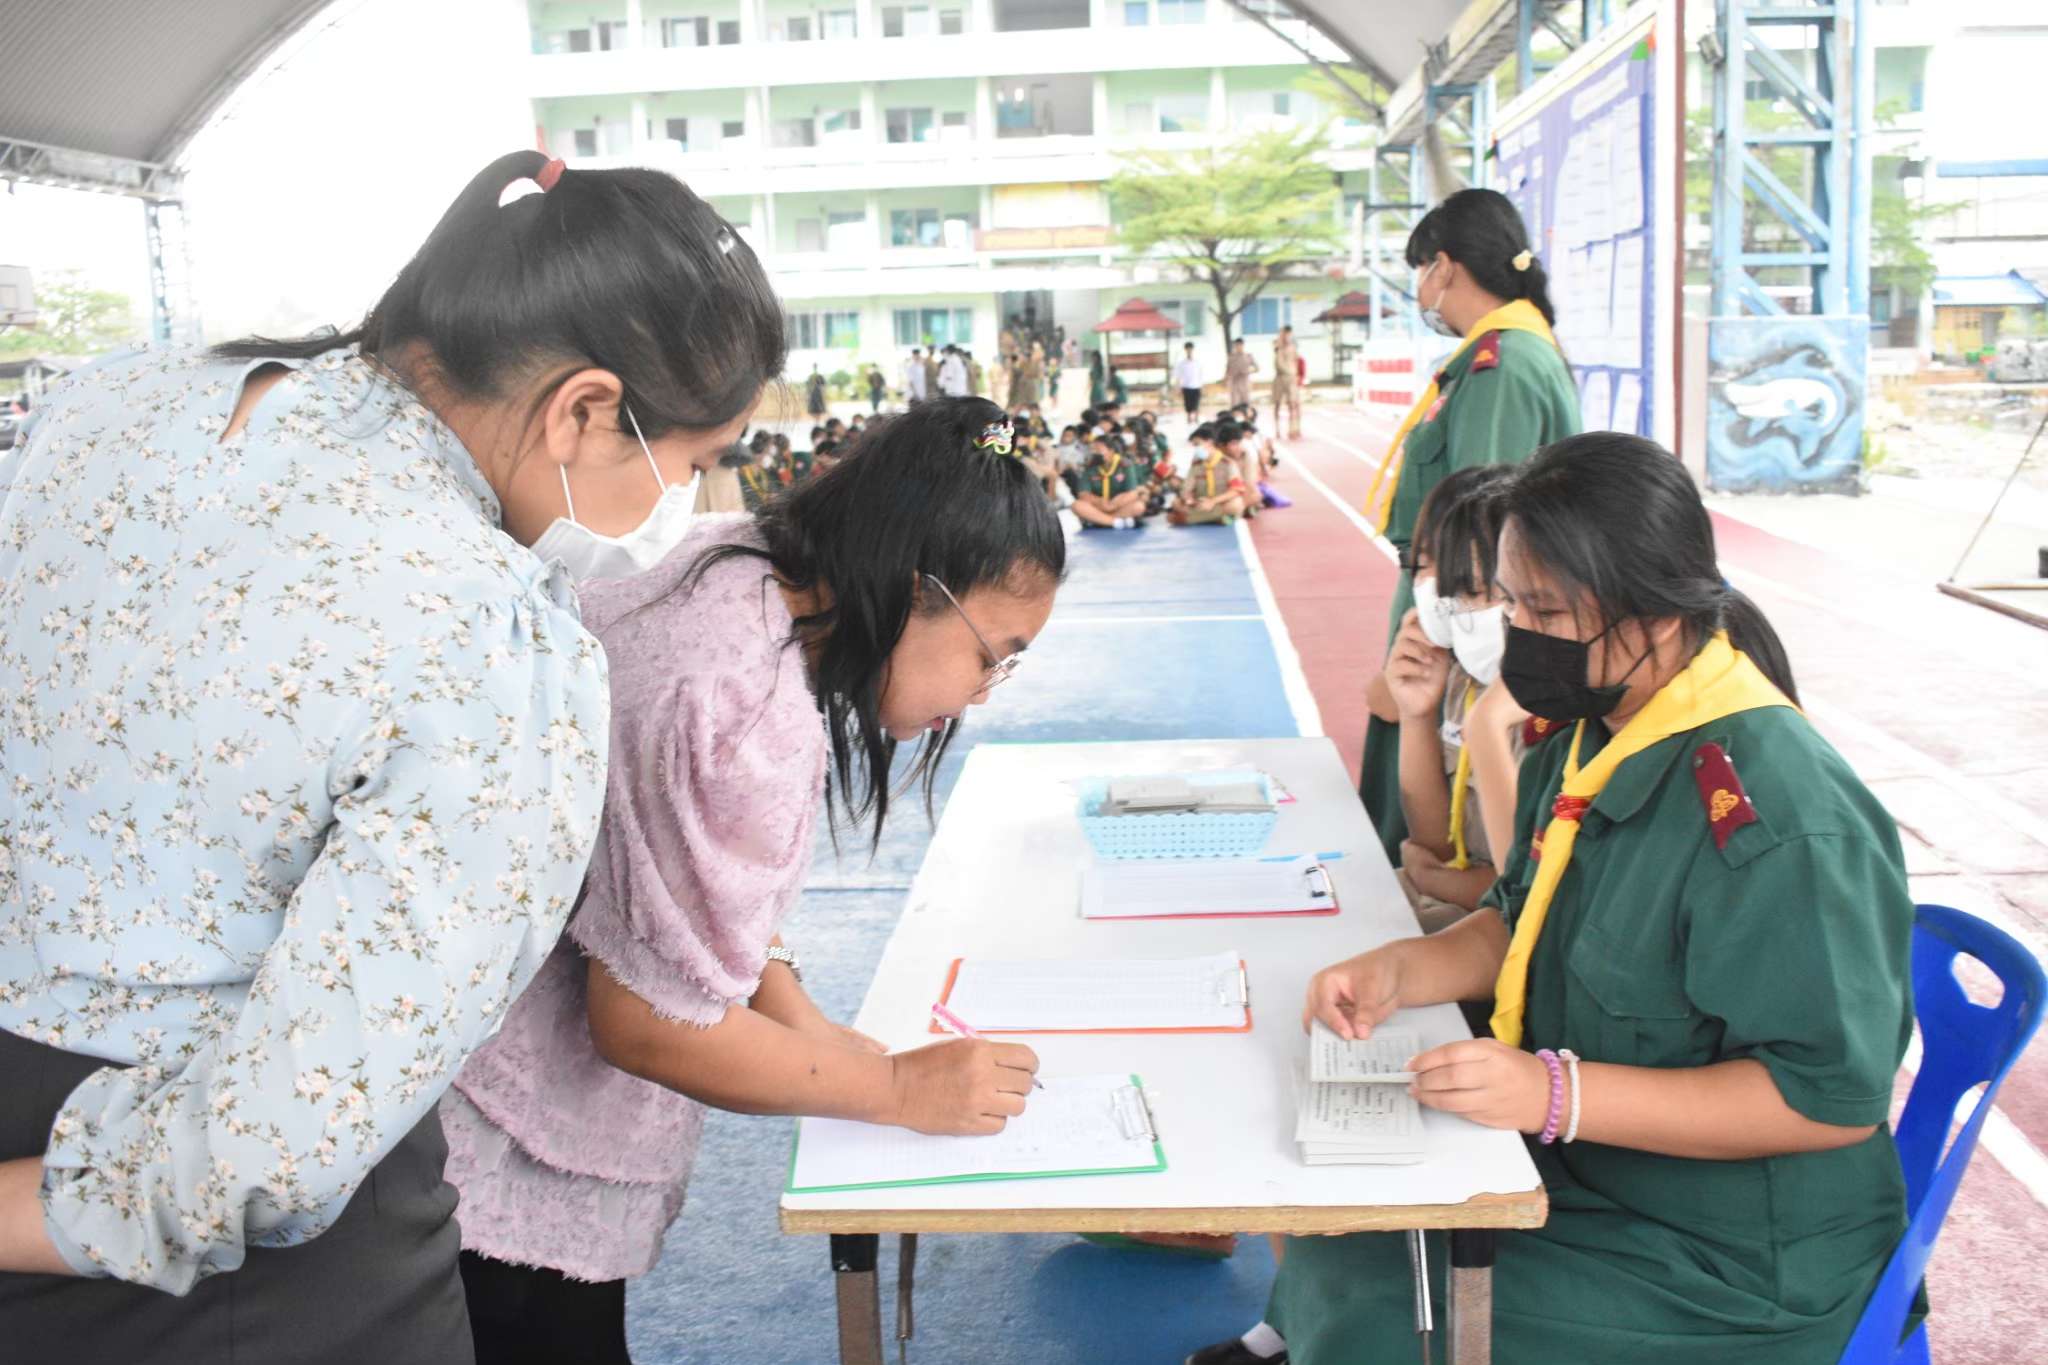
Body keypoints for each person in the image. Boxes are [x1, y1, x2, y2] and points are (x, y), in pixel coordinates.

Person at [0, 149, 787, 1361]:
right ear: (583, 410)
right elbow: (272, 1151)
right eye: (688, 462)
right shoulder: (491, 636)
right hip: (201, 1261)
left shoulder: (116, 400)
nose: (684, 499)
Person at [1216, 433, 1915, 1365]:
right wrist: (1405, 967)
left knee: (1385, 1313)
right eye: (1512, 602)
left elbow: (1824, 1102)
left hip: (1736, 1260)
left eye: (1544, 609)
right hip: (1601, 1175)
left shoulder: (1778, 820)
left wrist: (1555, 1093)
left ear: (1654, 614)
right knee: (1337, 1219)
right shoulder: (1598, 728)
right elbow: (1525, 917)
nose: (1519, 632)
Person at [447, 399, 1061, 1364]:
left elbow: (670, 874)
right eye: (994, 656)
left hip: (451, 1049)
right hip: (492, 1134)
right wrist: (893, 1086)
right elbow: (646, 1021)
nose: (981, 694)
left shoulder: (731, 562)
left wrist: (803, 1025)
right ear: (916, 590)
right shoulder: (745, 709)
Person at [1355, 187, 1580, 866]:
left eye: (1421, 270)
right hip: (1444, 617)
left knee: (1449, 840)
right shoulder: (1502, 355)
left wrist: (1433, 650)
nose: (1421, 289)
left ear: (1444, 266)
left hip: (1455, 635)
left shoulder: (1500, 366)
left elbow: (1480, 539)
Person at [1380, 465, 1523, 931]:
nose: (1436, 592)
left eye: (1470, 588)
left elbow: (1523, 886)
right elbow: (1437, 843)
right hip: (1461, 899)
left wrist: (1434, 880)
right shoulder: (1466, 674)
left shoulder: (1544, 707)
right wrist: (1416, 714)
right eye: (1421, 565)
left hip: (1503, 920)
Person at [1167, 423, 1247, 526]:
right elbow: (1187, 487)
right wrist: (1188, 499)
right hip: (1201, 503)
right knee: (1176, 503)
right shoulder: (1196, 464)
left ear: (1209, 442)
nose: (1196, 449)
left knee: (1236, 504)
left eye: (1197, 444)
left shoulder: (1228, 464)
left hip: (1220, 503)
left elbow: (1236, 490)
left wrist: (1213, 501)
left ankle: (1189, 519)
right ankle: (1215, 518)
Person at [1072, 432, 1150, 529]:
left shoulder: (1125, 465)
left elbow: (1132, 493)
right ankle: (1116, 522)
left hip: (1118, 507)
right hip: (1098, 507)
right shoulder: (1090, 467)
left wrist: (1113, 505)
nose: (1095, 453)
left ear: (1111, 451)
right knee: (1076, 506)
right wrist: (1099, 501)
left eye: (1098, 449)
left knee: (1138, 507)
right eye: (1093, 450)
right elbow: (1083, 494)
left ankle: (1100, 521)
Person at [1270, 325, 1302, 440]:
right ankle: (1277, 430)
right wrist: (1279, 344)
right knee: (1277, 404)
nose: (1286, 335)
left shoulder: (1293, 347)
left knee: (1293, 404)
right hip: (1279, 378)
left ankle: (1293, 429)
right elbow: (1277, 358)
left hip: (1291, 378)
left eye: (1288, 333)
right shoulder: (1277, 346)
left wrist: (1297, 375)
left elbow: (1296, 361)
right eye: (1284, 333)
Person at [1173, 342, 1204, 422]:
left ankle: (1196, 419)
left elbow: (1201, 375)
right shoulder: (1181, 364)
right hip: (1186, 386)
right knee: (1188, 404)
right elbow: (1178, 376)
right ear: (1185, 350)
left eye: (1190, 349)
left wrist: (1202, 386)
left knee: (1196, 403)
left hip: (1196, 386)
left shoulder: (1198, 362)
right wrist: (1177, 387)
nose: (1189, 351)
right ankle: (1189, 419)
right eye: (1188, 349)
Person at [1226, 337, 1258, 409]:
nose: (1238, 347)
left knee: (1246, 404)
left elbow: (1257, 368)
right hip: (1234, 383)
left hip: (1245, 383)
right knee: (1234, 404)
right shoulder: (1231, 357)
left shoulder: (1248, 356)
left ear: (1243, 345)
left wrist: (1247, 372)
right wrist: (1227, 379)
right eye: (1236, 345)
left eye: (1240, 345)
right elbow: (1227, 371)